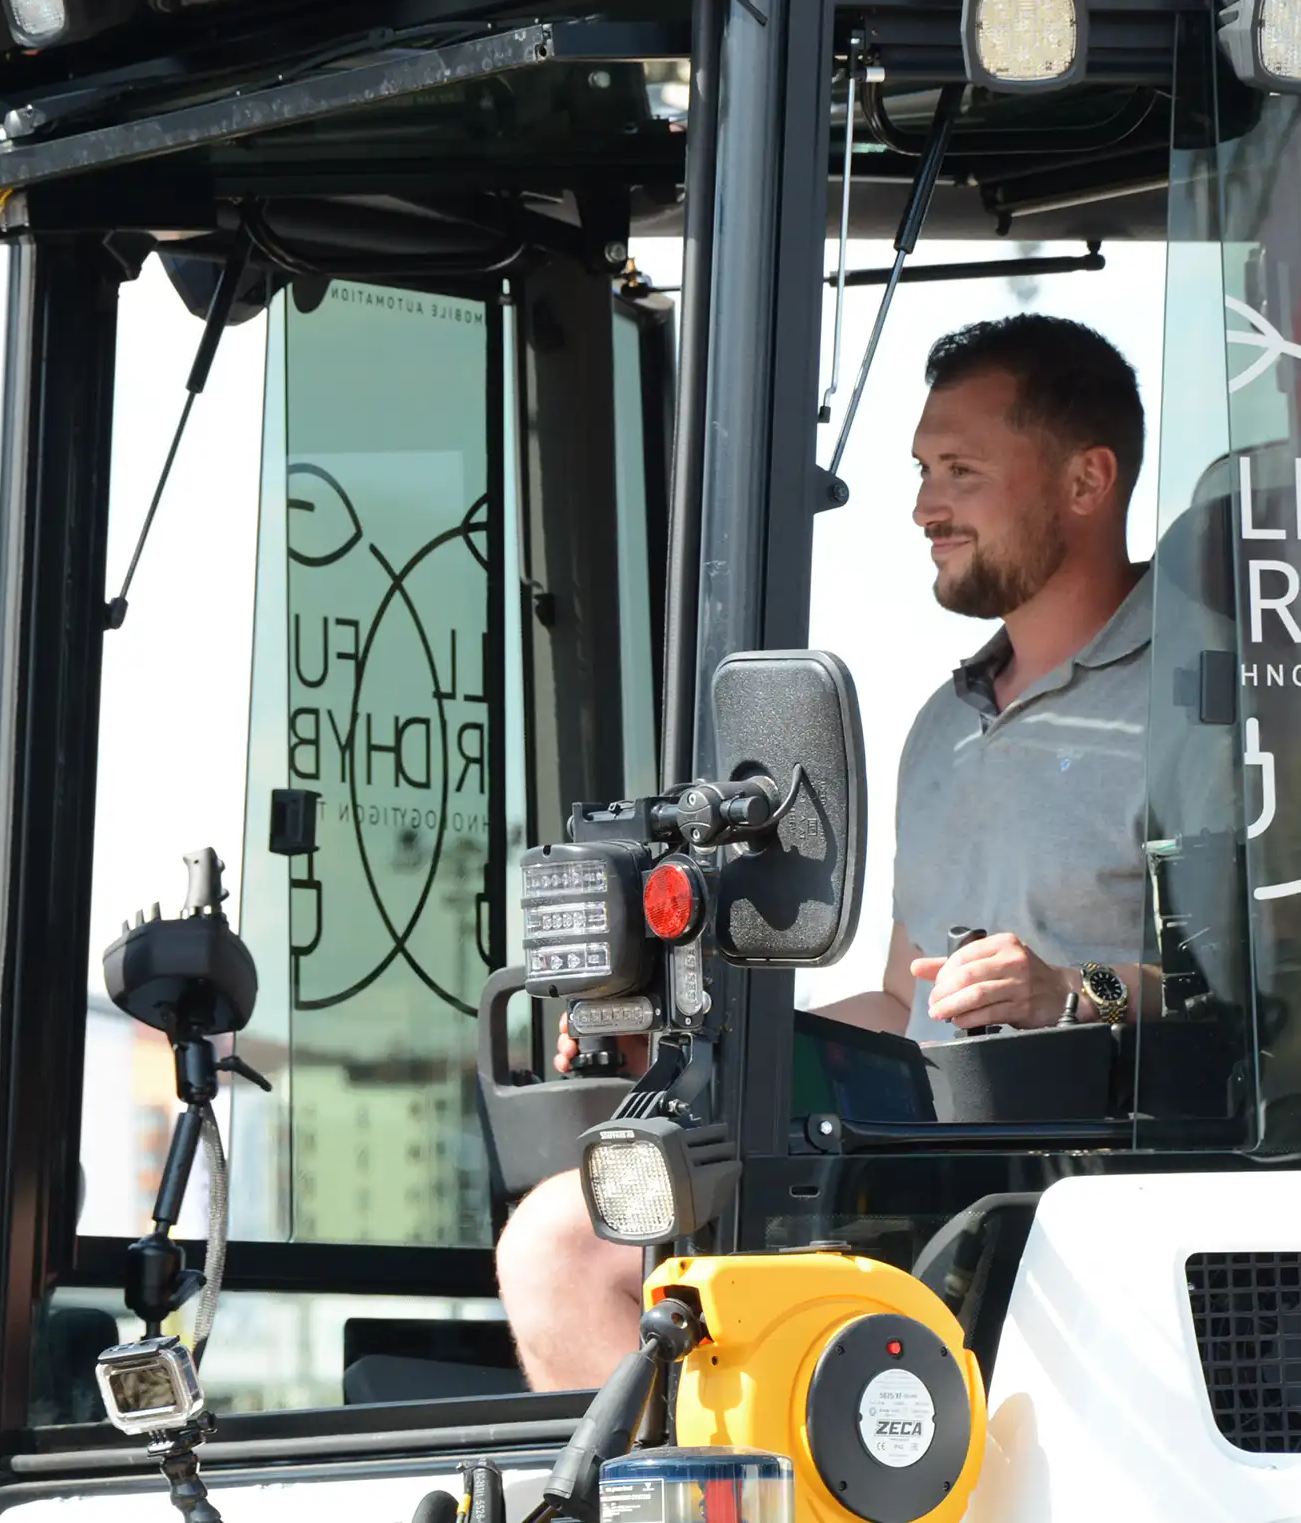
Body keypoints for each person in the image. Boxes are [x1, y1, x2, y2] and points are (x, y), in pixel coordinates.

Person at [493, 313, 1156, 1389]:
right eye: (922, 472)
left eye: (961, 471)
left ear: (1087, 480)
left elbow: (1286, 1016)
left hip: (1093, 1211)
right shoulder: (944, 725)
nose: (924, 507)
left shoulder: (1201, 696)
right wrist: (694, 1040)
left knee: (570, 1247)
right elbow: (903, 1002)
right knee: (569, 1243)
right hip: (926, 1181)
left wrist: (1072, 991)